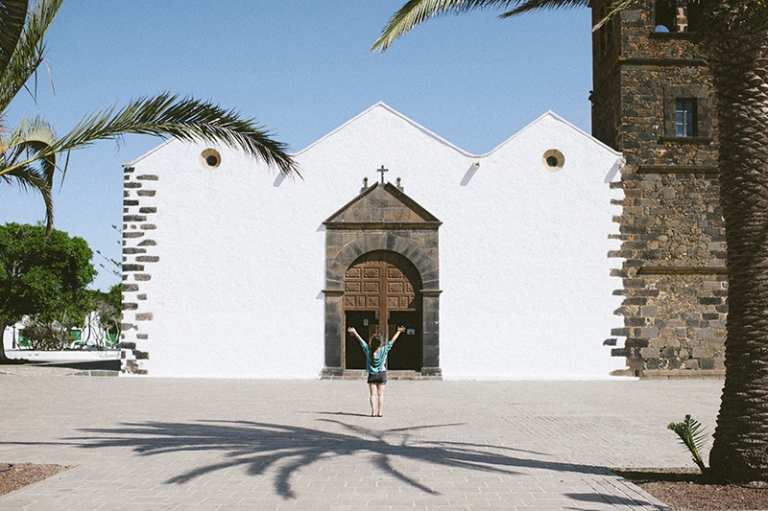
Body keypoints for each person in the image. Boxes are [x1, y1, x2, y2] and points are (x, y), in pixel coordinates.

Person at [347, 325, 406, 417]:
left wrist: (354, 332)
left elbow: (361, 341)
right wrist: (398, 331)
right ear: (379, 343)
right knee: (380, 395)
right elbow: (392, 342)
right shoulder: (383, 350)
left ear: (371, 343)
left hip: (372, 374)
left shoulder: (368, 351)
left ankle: (373, 412)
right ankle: (380, 412)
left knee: (373, 395)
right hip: (382, 374)